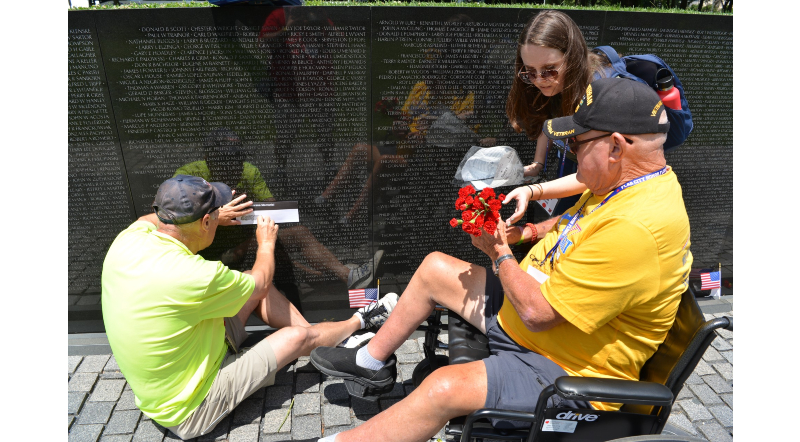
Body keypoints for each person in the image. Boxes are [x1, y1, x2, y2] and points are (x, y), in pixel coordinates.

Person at [309, 78, 693, 442]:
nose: (570, 152)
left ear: (615, 147)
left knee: (441, 388)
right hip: (536, 316)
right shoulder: (633, 180)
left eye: (576, 144)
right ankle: (369, 362)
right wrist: (528, 232)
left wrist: (499, 252)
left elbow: (538, 313)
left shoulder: (636, 227)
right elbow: (579, 218)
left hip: (561, 364)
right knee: (435, 268)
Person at [101, 175, 398, 440]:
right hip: (190, 407)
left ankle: (324, 338)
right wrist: (266, 243)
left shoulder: (130, 238)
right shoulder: (194, 275)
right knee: (292, 336)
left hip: (185, 359)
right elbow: (261, 283)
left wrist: (215, 216)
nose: (219, 216)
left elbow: (148, 219)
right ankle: (361, 320)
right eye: (214, 213)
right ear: (204, 222)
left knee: (241, 285)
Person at [177, 128, 381, 289]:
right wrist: (217, 216)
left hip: (247, 245)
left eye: (237, 162)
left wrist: (254, 220)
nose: (233, 168)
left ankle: (349, 278)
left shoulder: (248, 172)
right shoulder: (188, 176)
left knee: (295, 235)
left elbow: (272, 210)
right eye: (225, 163)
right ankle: (320, 277)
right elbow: (172, 222)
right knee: (274, 253)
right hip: (206, 255)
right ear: (208, 159)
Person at [506, 10, 611, 217]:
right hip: (570, 168)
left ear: (572, 57)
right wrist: (538, 163)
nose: (538, 79)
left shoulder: (601, 94)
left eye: (549, 69)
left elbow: (591, 176)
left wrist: (533, 191)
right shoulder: (560, 81)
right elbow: (550, 118)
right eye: (530, 71)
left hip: (599, 187)